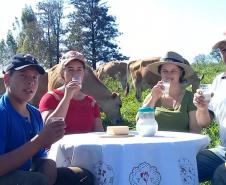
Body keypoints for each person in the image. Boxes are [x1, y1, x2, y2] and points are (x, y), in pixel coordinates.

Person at [0, 53, 94, 185]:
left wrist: (46, 162)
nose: (30, 82)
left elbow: (37, 156)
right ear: (7, 79)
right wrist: (39, 141)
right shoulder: (2, 113)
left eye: (34, 77)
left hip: (26, 173)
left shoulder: (35, 114)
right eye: (23, 75)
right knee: (39, 180)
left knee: (81, 176)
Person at [39, 50, 104, 134]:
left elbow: (99, 132)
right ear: (63, 73)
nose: (75, 74)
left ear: (84, 73)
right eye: (70, 70)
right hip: (59, 147)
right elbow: (47, 127)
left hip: (85, 147)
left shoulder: (91, 102)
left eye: (79, 70)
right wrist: (67, 97)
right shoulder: (51, 97)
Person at [137, 51, 201, 133]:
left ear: (181, 73)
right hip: (155, 144)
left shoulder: (190, 98)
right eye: (165, 71)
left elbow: (195, 130)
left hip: (182, 145)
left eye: (173, 71)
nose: (168, 75)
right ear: (160, 73)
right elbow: (139, 123)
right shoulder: (153, 95)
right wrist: (153, 99)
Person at [193, 39, 226, 184]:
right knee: (187, 164)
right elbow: (204, 122)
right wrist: (202, 108)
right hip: (224, 150)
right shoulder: (218, 81)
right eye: (224, 50)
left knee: (222, 173)